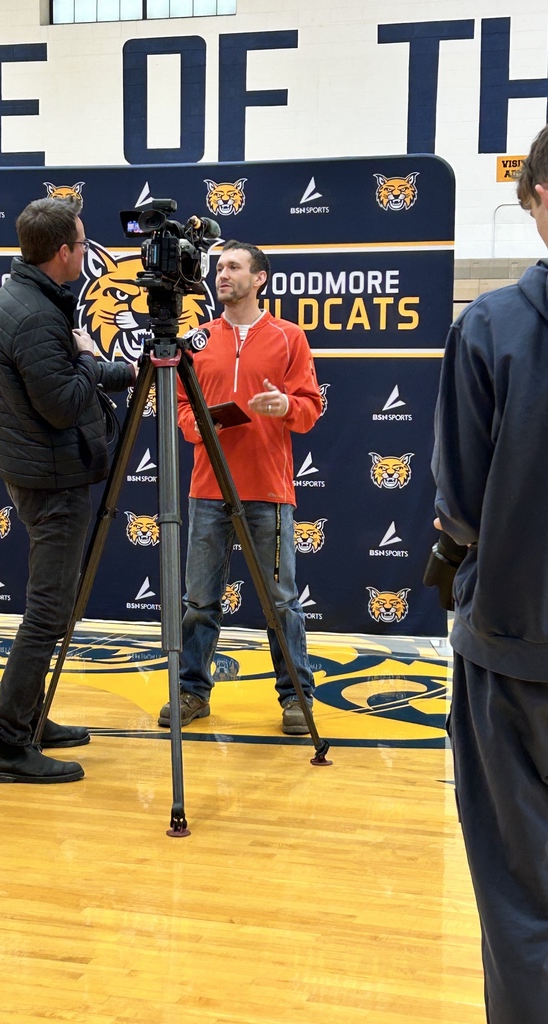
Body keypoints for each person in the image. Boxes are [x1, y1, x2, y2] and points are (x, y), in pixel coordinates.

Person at [432, 124, 548, 1022]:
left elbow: (462, 510)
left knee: (519, 894)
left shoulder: (493, 329)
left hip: (517, 650)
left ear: (535, 199)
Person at [0, 198, 135, 784]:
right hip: (52, 479)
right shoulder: (35, 315)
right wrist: (92, 359)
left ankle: (30, 718)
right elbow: (65, 402)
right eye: (81, 241)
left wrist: (95, 364)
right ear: (62, 253)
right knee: (47, 615)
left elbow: (67, 377)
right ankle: (9, 748)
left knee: (52, 611)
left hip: (43, 472)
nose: (86, 249)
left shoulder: (32, 300)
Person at [159, 240, 322, 735]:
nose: (221, 274)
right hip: (207, 490)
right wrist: (199, 426)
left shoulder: (290, 338)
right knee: (199, 601)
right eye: (217, 267)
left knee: (281, 602)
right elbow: (181, 407)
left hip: (268, 492)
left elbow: (310, 408)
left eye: (233, 267)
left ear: (260, 278)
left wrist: (285, 408)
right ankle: (191, 692)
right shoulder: (197, 340)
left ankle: (296, 697)